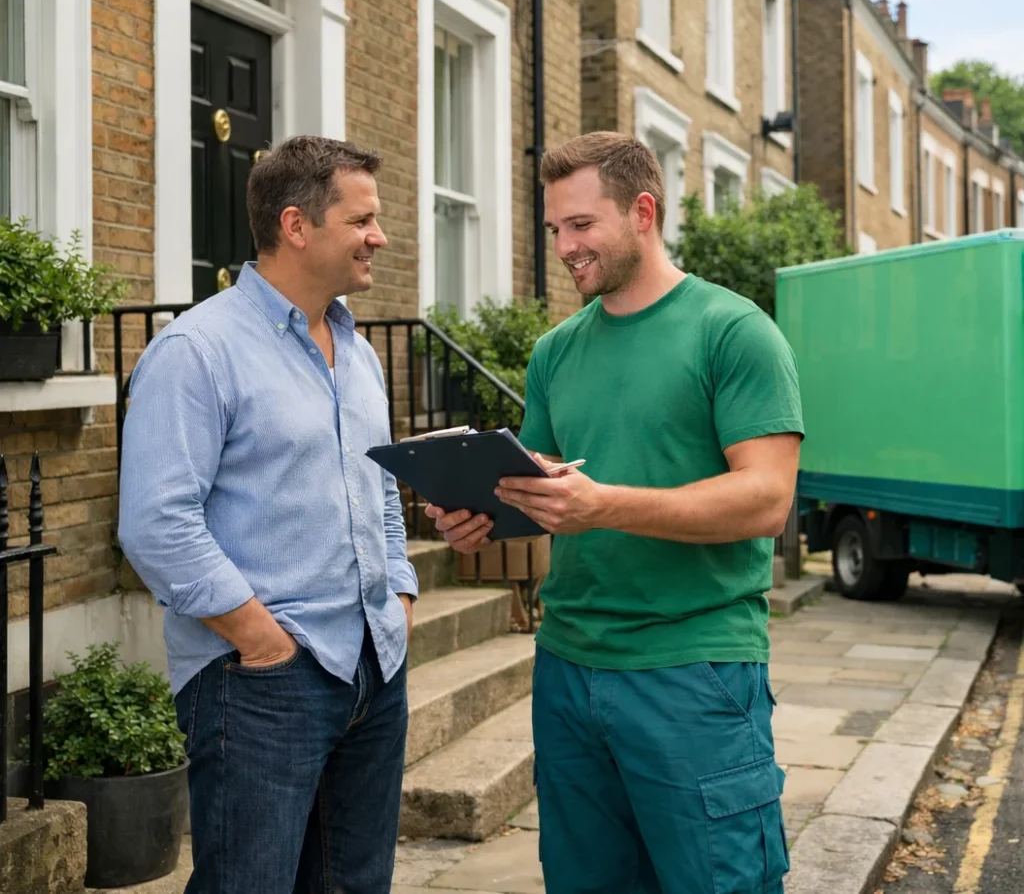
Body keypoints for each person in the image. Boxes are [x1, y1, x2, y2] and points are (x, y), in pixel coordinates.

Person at [427, 131, 803, 894]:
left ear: (642, 211)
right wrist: (475, 518)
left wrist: (601, 505)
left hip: (693, 668)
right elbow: (538, 492)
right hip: (568, 669)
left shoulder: (734, 332)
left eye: (581, 226)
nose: (564, 247)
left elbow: (766, 498)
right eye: (555, 229)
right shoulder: (555, 352)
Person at [118, 136, 417, 894]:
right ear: (296, 226)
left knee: (354, 885)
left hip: (374, 667)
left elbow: (379, 489)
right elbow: (157, 523)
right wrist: (260, 639)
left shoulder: (359, 350)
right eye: (363, 221)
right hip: (262, 682)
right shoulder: (197, 350)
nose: (378, 237)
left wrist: (400, 598)